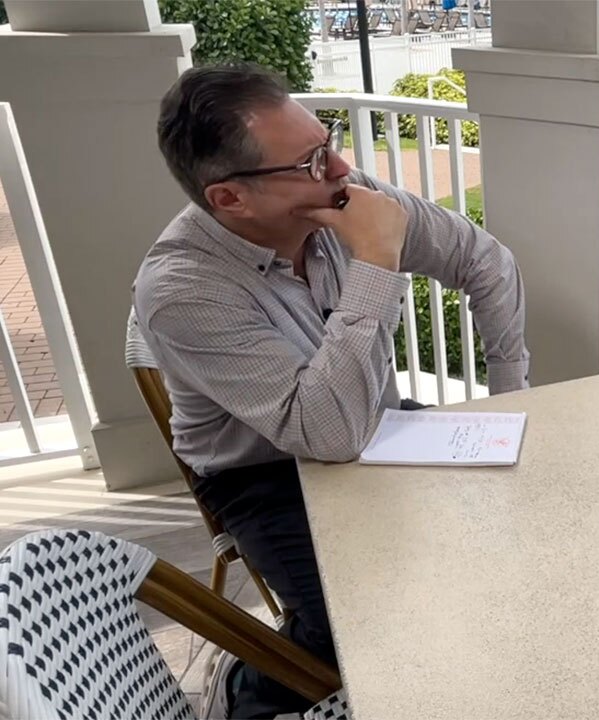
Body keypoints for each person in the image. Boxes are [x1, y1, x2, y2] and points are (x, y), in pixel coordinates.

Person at [131, 63, 528, 718]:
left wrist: (511, 396)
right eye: (312, 161)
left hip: (379, 427)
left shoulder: (345, 197)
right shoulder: (181, 289)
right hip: (262, 471)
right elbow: (326, 435)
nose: (341, 171)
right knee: (349, 630)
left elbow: (487, 262)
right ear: (230, 198)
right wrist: (376, 262)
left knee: (505, 522)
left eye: (329, 141)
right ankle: (245, 694)